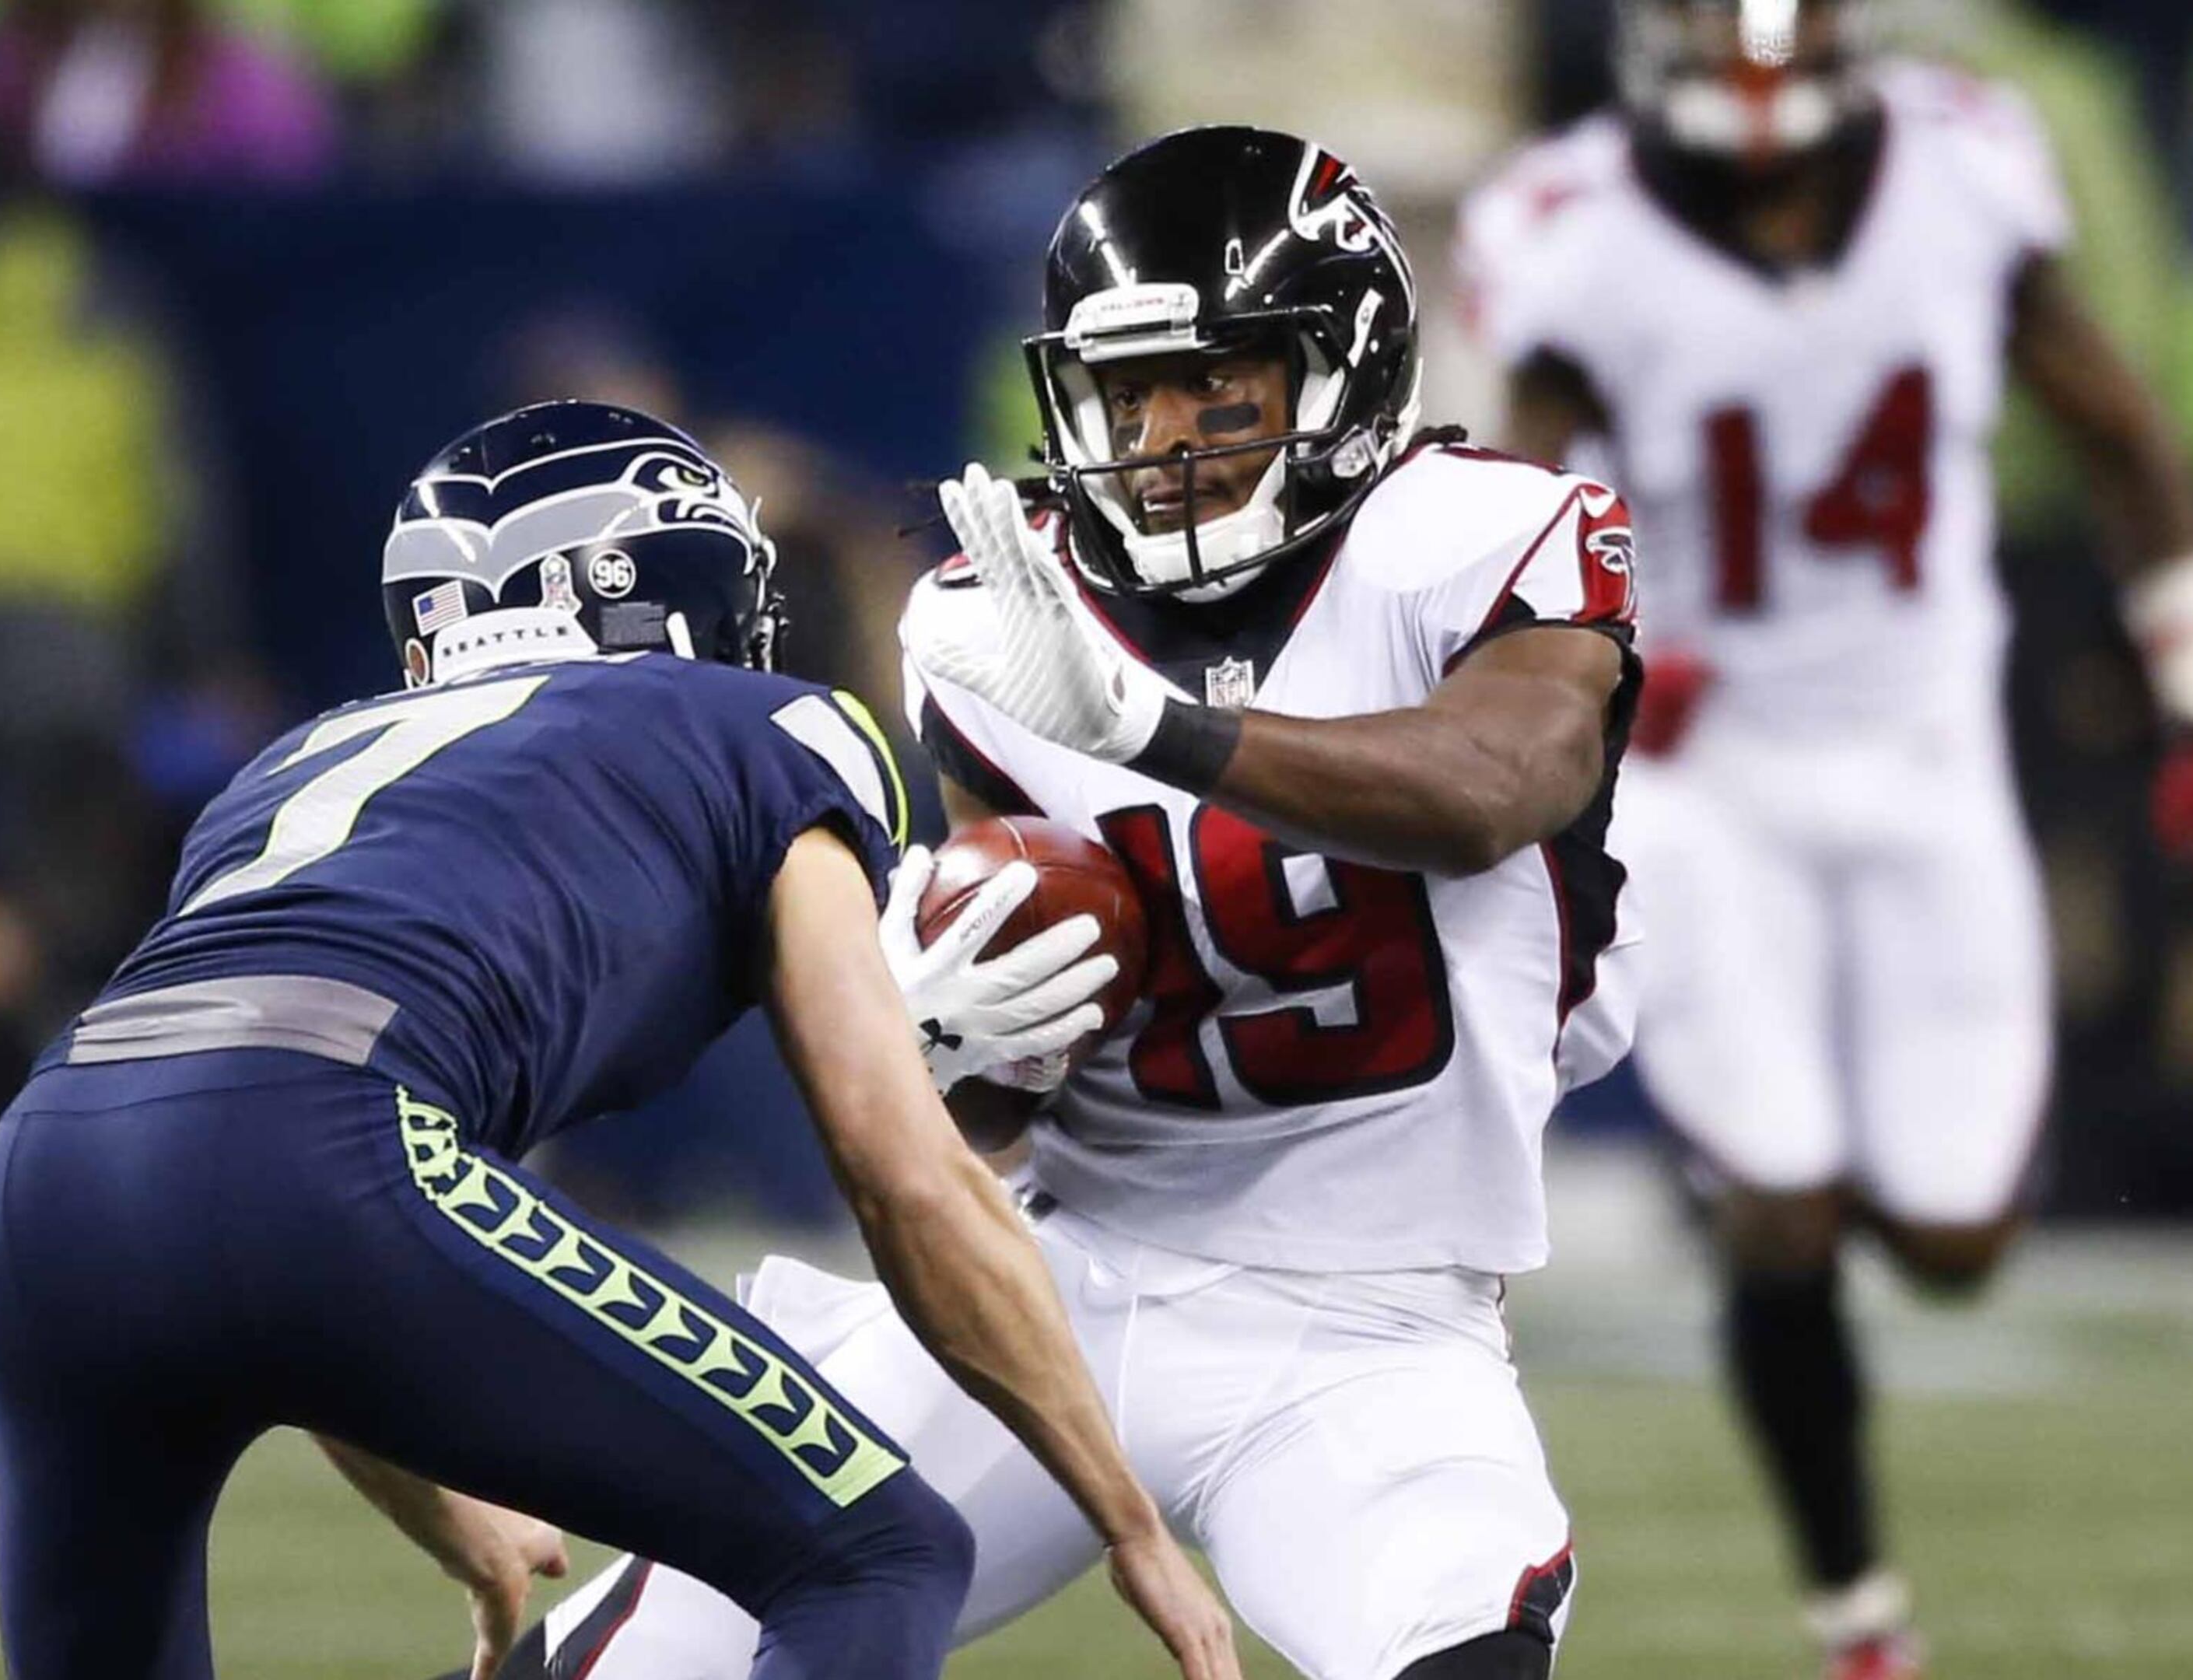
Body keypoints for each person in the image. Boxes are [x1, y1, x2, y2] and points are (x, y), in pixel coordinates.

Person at [510, 126, 1641, 1680]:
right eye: (1129, 391)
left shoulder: (1477, 537)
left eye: (1215, 384)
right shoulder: (995, 615)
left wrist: (1154, 730)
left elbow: (1493, 788)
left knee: (1462, 1659)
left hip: (1372, 1328)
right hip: (1058, 1280)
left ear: (1343, 372)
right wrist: (951, 1048)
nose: (1165, 435)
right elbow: (998, 1109)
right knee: (625, 1668)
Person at [0, 401, 1238, 1680]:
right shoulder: (775, 729)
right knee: (877, 1557)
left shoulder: (286, 768)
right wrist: (1127, 1520)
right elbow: (902, 1174)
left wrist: (441, 1507)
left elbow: (218, 1164)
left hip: (35, 1193)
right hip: (321, 1157)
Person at [1456, 4, 2193, 1676]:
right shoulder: (1572, 231)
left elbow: (2122, 438)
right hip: (1704, 774)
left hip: (1923, 757)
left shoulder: (1969, 170)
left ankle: (1861, 1390)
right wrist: (1582, 675)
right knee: (1780, 1198)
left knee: (1957, 1241)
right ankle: (1860, 1617)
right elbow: (1493, 522)